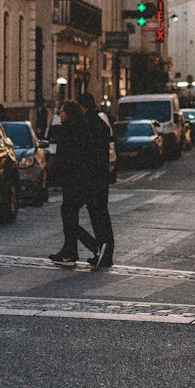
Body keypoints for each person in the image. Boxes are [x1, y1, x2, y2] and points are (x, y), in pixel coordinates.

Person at [48, 100, 97, 266]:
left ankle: (91, 246)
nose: (60, 114)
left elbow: (66, 157)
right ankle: (70, 250)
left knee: (68, 215)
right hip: (81, 179)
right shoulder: (82, 129)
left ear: (68, 113)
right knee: (69, 215)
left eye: (62, 111)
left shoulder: (68, 131)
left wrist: (54, 169)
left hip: (73, 180)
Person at [79, 90, 116, 268]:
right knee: (101, 215)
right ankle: (103, 251)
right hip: (101, 177)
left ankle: (104, 252)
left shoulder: (88, 125)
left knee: (98, 216)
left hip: (93, 178)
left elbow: (88, 154)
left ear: (83, 107)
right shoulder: (101, 124)